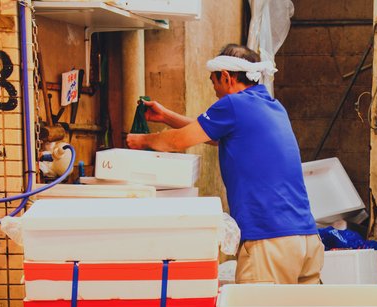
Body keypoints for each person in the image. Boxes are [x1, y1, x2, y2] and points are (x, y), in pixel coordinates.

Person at [125, 44, 324, 284]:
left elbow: (178, 141)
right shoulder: (272, 106)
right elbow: (215, 133)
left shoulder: (232, 105)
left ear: (227, 77)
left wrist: (142, 140)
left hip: (269, 240)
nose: (215, 92)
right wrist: (166, 116)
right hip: (306, 241)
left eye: (214, 83)